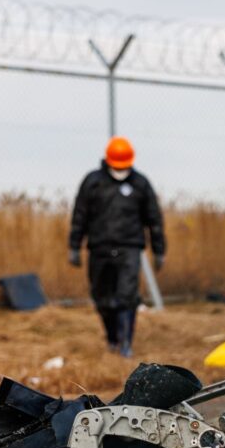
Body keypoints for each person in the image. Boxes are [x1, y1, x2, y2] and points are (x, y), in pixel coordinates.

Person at [68, 136, 165, 357]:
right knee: (102, 298)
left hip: (130, 248)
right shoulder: (93, 181)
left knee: (127, 296)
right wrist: (74, 245)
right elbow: (79, 214)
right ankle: (112, 338)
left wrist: (159, 250)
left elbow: (154, 219)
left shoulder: (140, 183)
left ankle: (125, 345)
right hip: (99, 248)